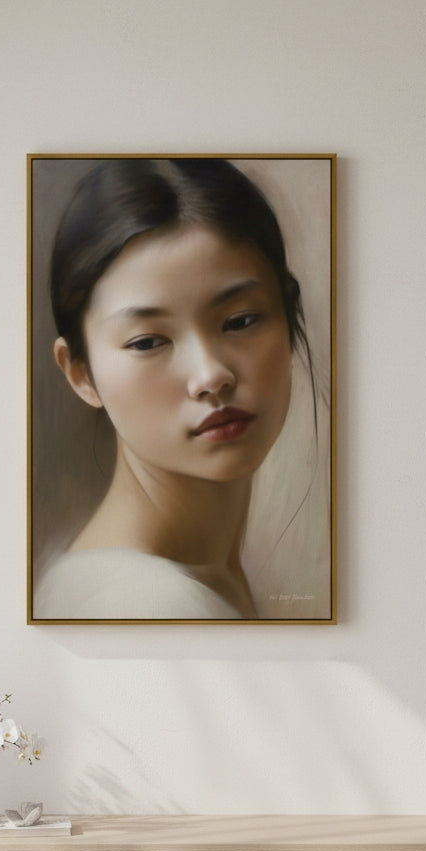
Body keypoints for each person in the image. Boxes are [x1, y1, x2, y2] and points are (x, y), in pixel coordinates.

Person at [32, 158, 320, 620]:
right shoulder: (150, 603)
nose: (211, 375)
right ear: (80, 374)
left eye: (240, 321)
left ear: (288, 315)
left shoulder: (192, 580)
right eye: (147, 342)